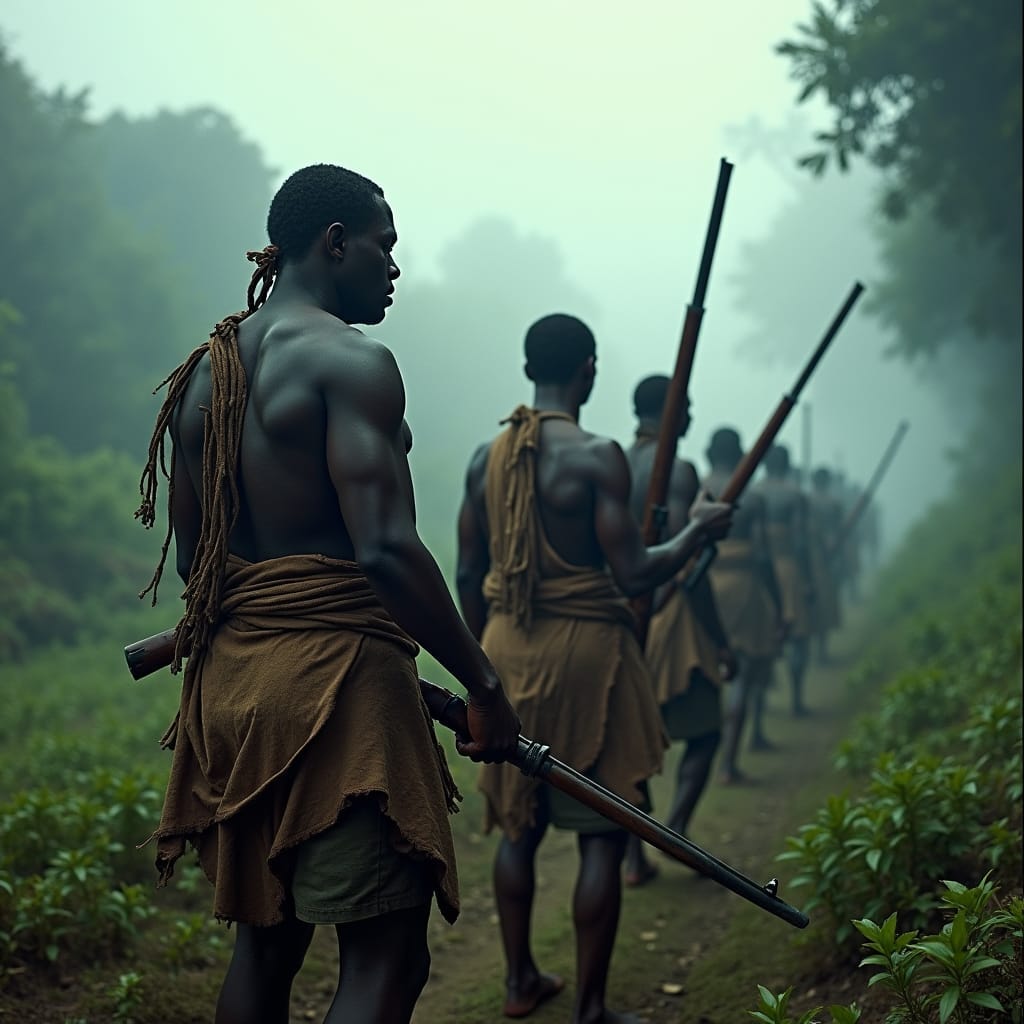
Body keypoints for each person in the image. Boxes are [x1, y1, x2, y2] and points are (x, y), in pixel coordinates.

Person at [134, 163, 521, 1024]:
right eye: (384, 246)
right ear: (335, 242)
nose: (393, 267)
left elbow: (202, 565)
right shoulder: (352, 363)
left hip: (235, 691)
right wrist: (484, 683)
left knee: (266, 948)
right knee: (386, 957)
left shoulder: (206, 376)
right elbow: (383, 547)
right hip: (337, 695)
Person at [456, 316, 732, 1024]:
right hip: (590, 659)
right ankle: (592, 1009)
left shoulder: (483, 458)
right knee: (604, 835)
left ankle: (519, 982)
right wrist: (699, 529)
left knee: (519, 827)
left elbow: (467, 574)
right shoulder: (596, 455)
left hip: (506, 651)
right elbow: (635, 573)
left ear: (529, 370)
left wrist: (484, 657)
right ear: (589, 370)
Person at [620, 375, 736, 888]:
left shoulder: (613, 461)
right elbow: (685, 560)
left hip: (621, 615)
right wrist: (719, 637)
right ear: (670, 413)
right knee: (707, 730)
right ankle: (677, 829)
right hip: (671, 615)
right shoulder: (681, 470)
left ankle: (634, 856)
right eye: (684, 406)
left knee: (632, 744)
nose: (689, 415)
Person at [703, 428, 784, 782]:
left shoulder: (698, 488)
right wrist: (778, 601)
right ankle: (727, 764)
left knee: (707, 674)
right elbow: (764, 557)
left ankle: (717, 757)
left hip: (703, 589)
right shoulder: (750, 499)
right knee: (745, 673)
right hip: (746, 588)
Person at [753, 444, 816, 716]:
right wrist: (809, 579)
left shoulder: (753, 494)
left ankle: (757, 716)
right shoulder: (795, 495)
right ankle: (796, 701)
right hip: (788, 571)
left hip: (758, 574)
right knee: (798, 639)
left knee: (758, 647)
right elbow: (801, 543)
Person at [807, 466, 844, 663]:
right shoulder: (824, 502)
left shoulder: (813, 501)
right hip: (817, 558)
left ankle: (820, 650)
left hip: (820, 557)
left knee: (821, 604)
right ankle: (820, 650)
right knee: (820, 604)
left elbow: (838, 531)